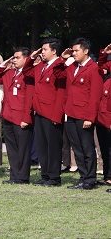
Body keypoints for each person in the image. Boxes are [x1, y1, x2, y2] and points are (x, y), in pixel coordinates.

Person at [22, 38, 66, 187]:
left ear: (54, 51)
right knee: (42, 146)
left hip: (51, 112)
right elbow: (26, 71)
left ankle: (54, 177)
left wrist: (57, 115)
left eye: (45, 49)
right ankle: (45, 174)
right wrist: (32, 57)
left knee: (53, 146)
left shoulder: (59, 66)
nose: (43, 52)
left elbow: (61, 93)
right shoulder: (41, 65)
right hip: (39, 111)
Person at [61, 38, 103, 190]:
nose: (74, 53)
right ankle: (83, 177)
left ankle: (90, 179)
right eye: (73, 51)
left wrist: (90, 118)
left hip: (84, 115)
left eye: (76, 50)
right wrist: (62, 58)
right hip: (71, 113)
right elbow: (58, 74)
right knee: (77, 148)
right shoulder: (72, 67)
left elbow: (95, 96)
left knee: (87, 148)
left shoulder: (93, 68)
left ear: (86, 51)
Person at [0, 47, 34, 184]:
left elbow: (29, 98)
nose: (14, 60)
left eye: (17, 57)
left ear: (26, 59)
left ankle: (23, 177)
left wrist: (26, 118)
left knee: (23, 149)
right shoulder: (10, 73)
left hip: (21, 118)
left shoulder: (28, 74)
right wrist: (4, 64)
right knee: (11, 148)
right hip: (8, 116)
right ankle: (14, 175)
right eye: (13, 57)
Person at [97, 44, 111, 192]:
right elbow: (100, 68)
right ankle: (107, 176)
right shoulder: (106, 79)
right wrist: (104, 53)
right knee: (105, 149)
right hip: (101, 119)